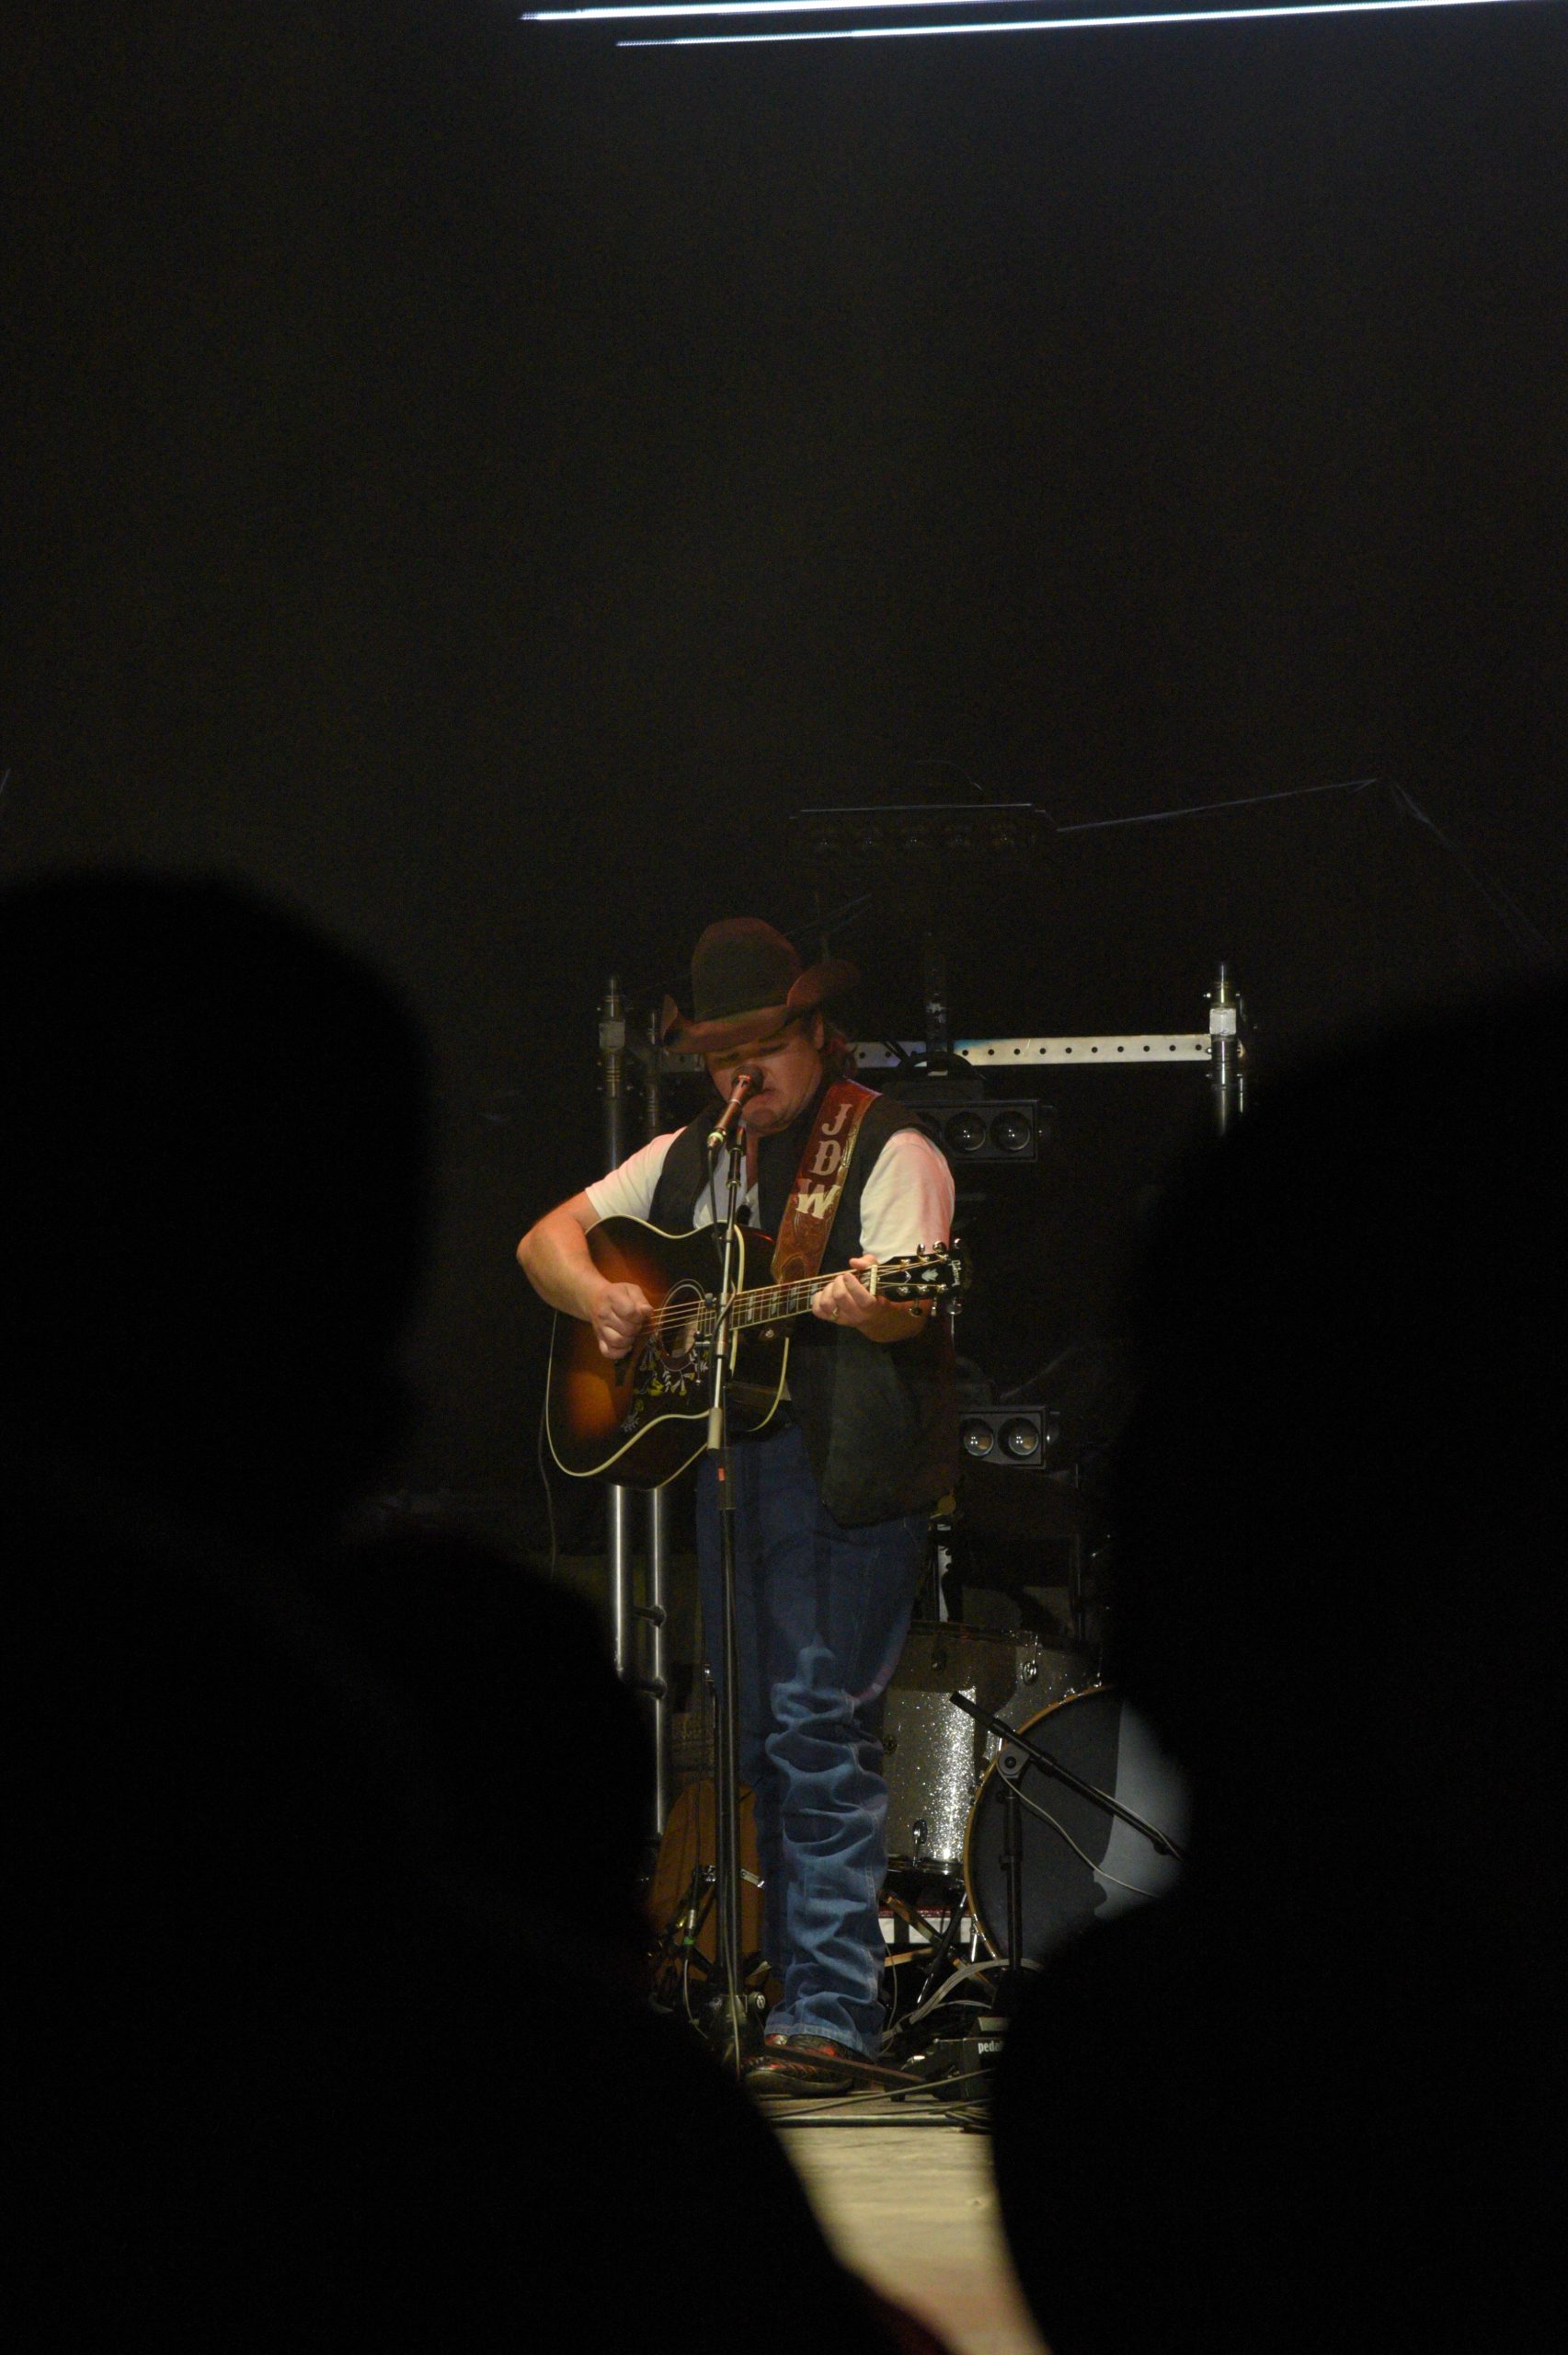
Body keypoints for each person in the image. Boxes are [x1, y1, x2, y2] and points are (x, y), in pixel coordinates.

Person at [520, 916, 958, 2091]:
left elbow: (911, 1301)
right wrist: (601, 1300)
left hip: (844, 1474)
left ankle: (831, 2017)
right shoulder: (688, 1154)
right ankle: (778, 1996)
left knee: (817, 1730)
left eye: (759, 1050)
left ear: (816, 1034)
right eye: (719, 1058)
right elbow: (544, 1241)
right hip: (734, 1470)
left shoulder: (889, 1146)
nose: (739, 1077)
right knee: (758, 1740)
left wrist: (874, 1303)